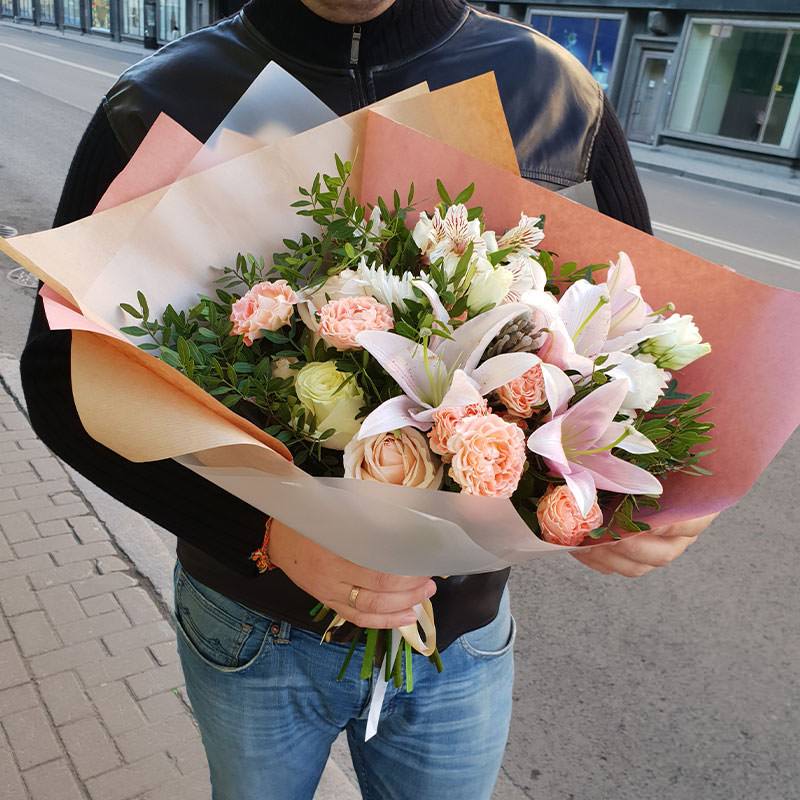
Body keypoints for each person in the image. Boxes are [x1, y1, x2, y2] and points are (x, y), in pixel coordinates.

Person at [20, 1, 717, 798]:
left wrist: (633, 506)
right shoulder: (159, 100)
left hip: (458, 638)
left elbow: (631, 341)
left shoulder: (547, 90)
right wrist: (264, 534)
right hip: (249, 623)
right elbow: (60, 379)